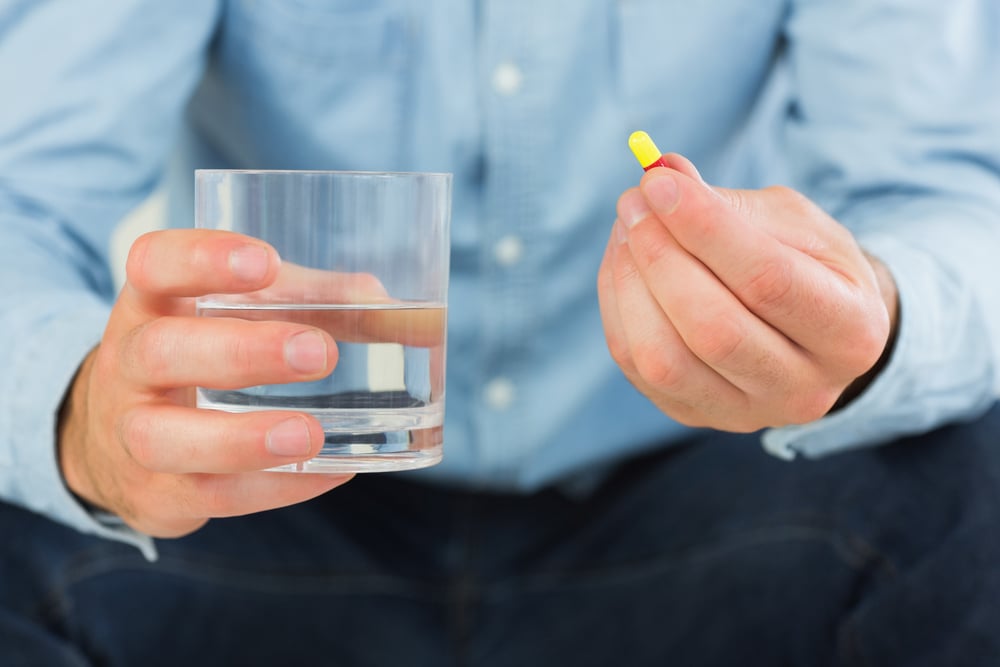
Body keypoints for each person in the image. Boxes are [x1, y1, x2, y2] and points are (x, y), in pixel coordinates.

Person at [1, 1, 998, 665]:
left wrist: (866, 320)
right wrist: (83, 420)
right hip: (264, 509)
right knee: (24, 471)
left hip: (703, 500)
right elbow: (18, 202)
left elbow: (944, 190)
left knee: (965, 464)